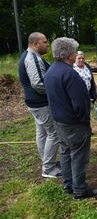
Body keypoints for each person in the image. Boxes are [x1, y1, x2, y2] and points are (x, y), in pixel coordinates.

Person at [44, 37, 97, 199]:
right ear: (68, 55)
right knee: (79, 156)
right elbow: (80, 104)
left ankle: (68, 185)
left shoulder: (51, 71)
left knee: (66, 152)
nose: (76, 54)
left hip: (59, 121)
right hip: (74, 123)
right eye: (74, 51)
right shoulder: (71, 74)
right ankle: (80, 190)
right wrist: (84, 122)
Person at [18, 32, 60, 178]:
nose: (47, 44)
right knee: (54, 133)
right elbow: (38, 84)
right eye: (45, 42)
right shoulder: (32, 58)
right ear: (35, 44)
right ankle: (48, 168)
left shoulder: (31, 56)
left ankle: (48, 162)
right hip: (40, 103)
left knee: (42, 133)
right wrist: (56, 93)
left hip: (35, 102)